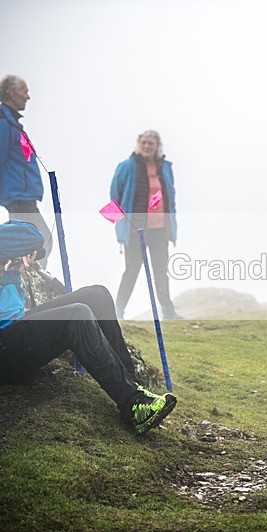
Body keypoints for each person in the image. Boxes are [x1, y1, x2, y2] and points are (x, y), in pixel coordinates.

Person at [0, 220, 176, 434]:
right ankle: (132, 405)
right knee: (77, 315)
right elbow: (32, 237)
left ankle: (135, 388)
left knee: (97, 295)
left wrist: (12, 270)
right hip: (5, 348)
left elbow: (9, 309)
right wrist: (20, 256)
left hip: (11, 329)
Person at [110, 130, 181, 320]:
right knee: (131, 271)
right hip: (135, 230)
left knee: (161, 272)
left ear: (158, 146)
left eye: (151, 143)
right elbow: (114, 197)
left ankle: (168, 312)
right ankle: (117, 312)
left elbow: (171, 198)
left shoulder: (165, 168)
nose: (147, 146)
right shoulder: (126, 167)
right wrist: (121, 225)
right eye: (144, 142)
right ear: (138, 144)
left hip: (160, 230)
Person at [0, 75, 52, 267]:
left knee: (32, 242)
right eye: (25, 92)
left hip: (22, 196)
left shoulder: (12, 124)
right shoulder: (4, 123)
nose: (28, 97)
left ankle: (22, 277)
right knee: (41, 240)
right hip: (17, 196)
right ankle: (28, 280)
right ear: (13, 94)